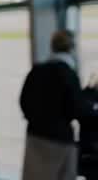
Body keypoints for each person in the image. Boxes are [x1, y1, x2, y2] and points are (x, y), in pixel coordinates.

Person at [21, 29, 86, 179]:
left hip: (35, 136)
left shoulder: (36, 71)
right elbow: (76, 109)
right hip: (60, 140)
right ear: (72, 48)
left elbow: (24, 102)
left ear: (52, 46)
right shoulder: (69, 74)